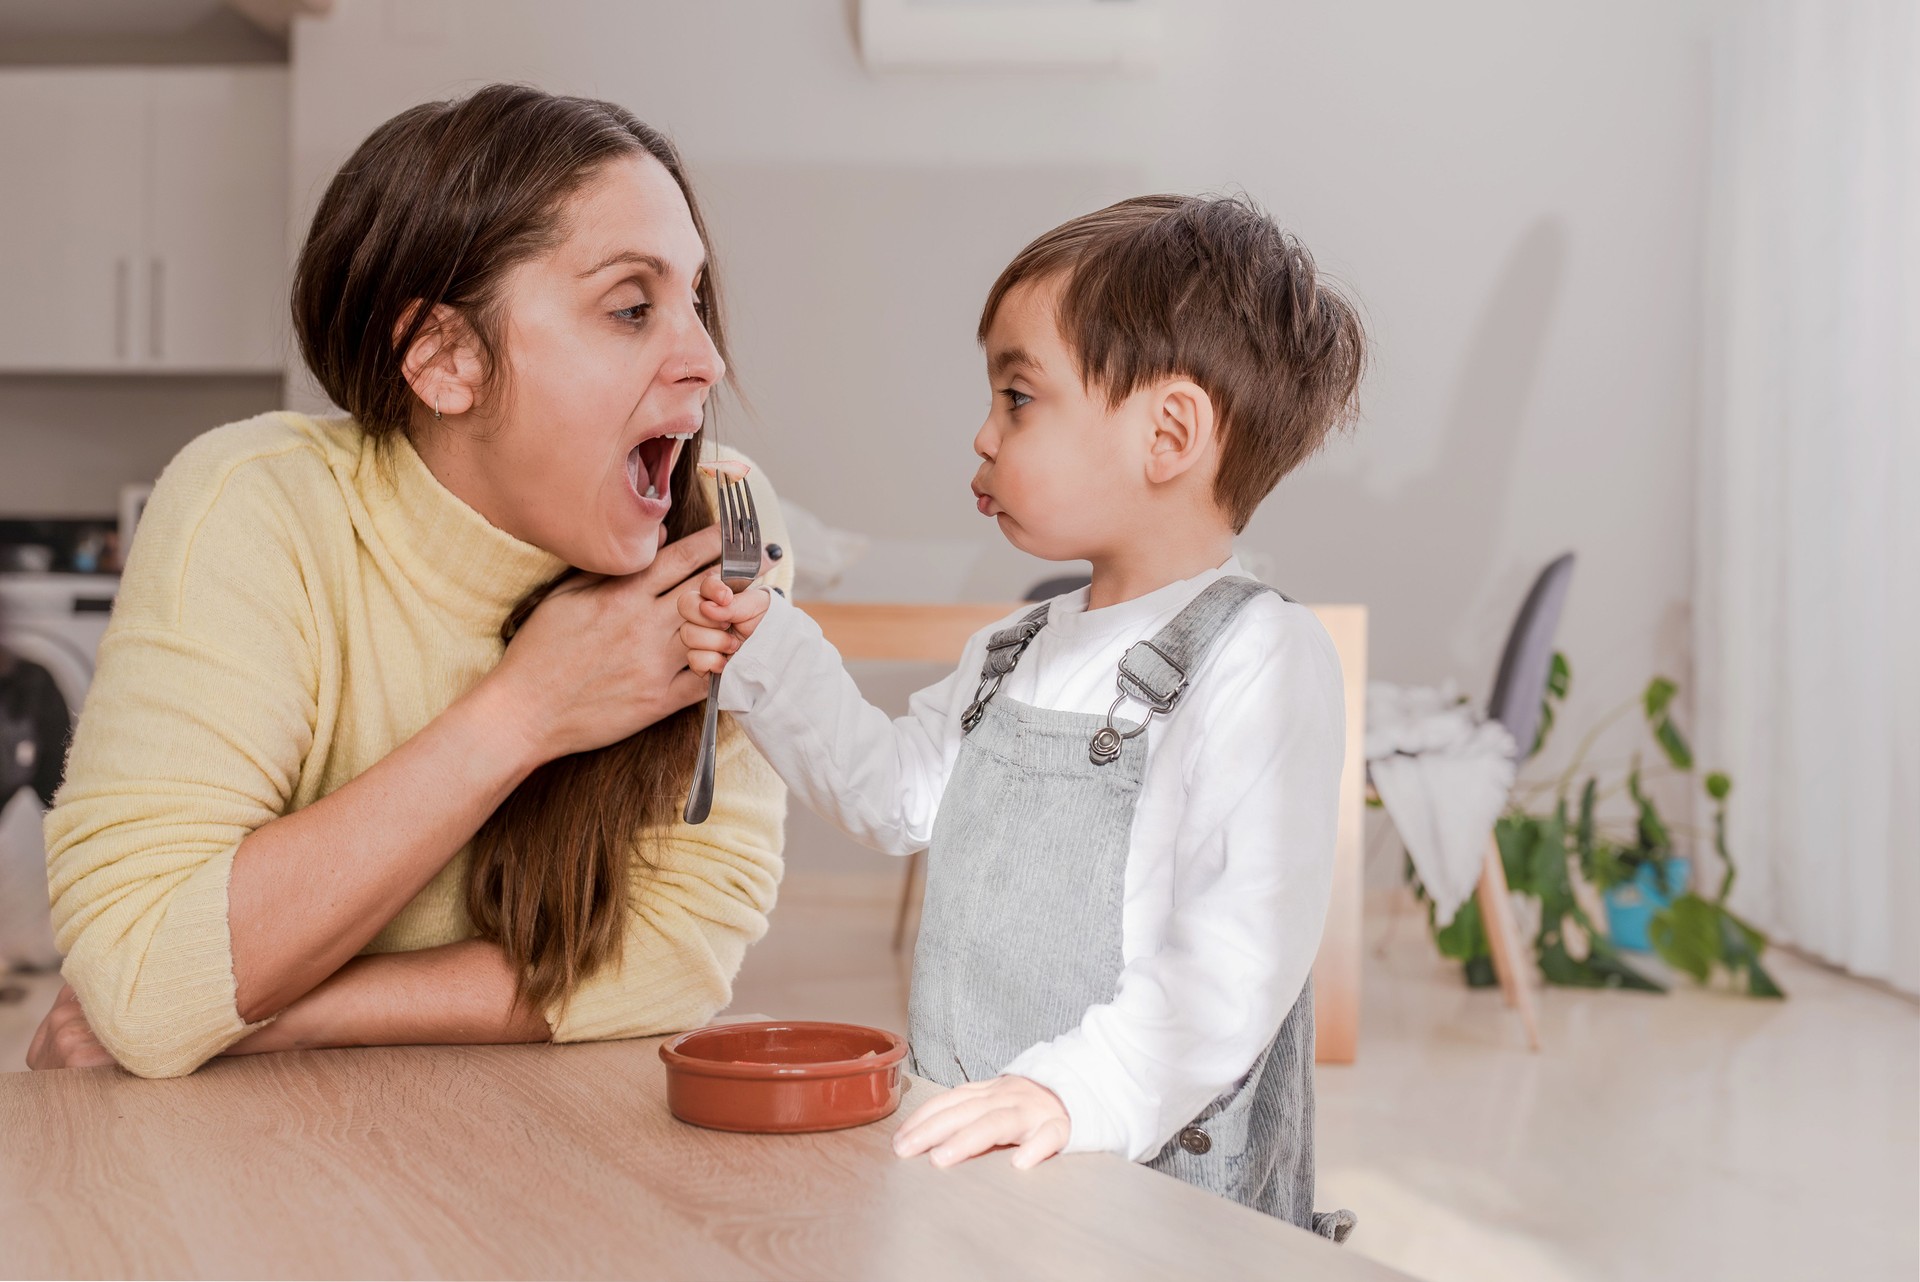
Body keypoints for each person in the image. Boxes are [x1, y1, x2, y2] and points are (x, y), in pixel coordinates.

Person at [28, 85, 792, 1077]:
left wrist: (283, 1009)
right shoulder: (257, 507)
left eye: (694, 300)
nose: (705, 360)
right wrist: (527, 711)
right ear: (443, 358)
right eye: (633, 307)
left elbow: (683, 951)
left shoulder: (722, 523)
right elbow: (141, 974)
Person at [681, 195, 1364, 1236]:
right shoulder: (1015, 651)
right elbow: (892, 794)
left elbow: (1238, 958)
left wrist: (1073, 1090)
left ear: (1169, 432)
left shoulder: (1262, 657)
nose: (983, 434)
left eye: (1017, 396)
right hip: (988, 1156)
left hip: (1152, 1196)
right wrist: (763, 642)